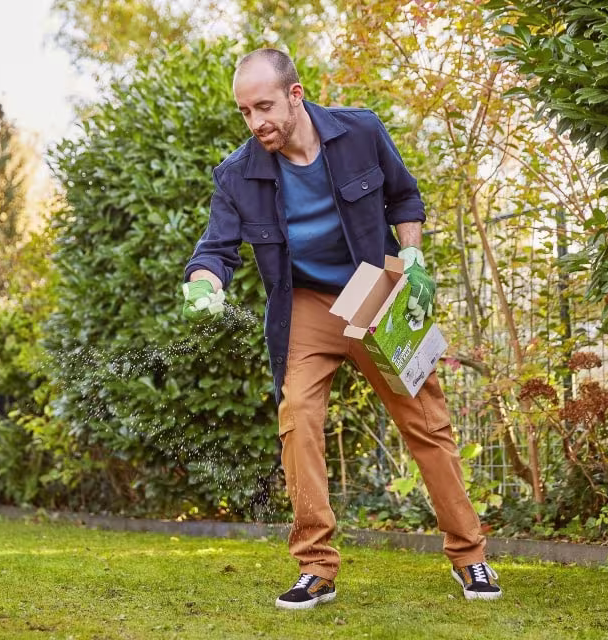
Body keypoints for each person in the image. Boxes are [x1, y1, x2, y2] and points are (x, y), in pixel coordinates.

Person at [182, 48, 502, 609]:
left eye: (264, 107)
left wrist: (413, 257)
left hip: (373, 290)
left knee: (427, 422)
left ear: (296, 95)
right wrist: (204, 283)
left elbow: (404, 196)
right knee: (298, 422)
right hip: (306, 305)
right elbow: (215, 249)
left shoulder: (360, 131)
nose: (256, 122)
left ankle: (469, 555)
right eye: (245, 112)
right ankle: (316, 567)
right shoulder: (238, 174)